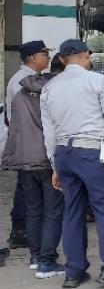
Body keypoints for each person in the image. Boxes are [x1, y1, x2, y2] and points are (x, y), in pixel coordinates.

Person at [41, 39, 104, 288]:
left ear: (62, 60)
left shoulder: (50, 88)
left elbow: (48, 131)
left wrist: (55, 165)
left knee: (72, 210)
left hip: (64, 152)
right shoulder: (97, 81)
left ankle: (74, 272)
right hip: (92, 151)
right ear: (86, 56)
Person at [2, 70, 65, 278]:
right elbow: (55, 129)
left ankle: (35, 257)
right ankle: (47, 261)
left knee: (33, 210)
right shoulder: (51, 95)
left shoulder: (20, 95)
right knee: (53, 211)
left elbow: (14, 128)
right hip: (47, 161)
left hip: (25, 160)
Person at [5, 41, 52, 250]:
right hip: (30, 143)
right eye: (44, 54)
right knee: (27, 191)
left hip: (28, 142)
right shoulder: (23, 81)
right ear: (33, 57)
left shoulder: (27, 78)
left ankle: (24, 231)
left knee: (25, 188)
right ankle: (21, 230)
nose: (48, 57)